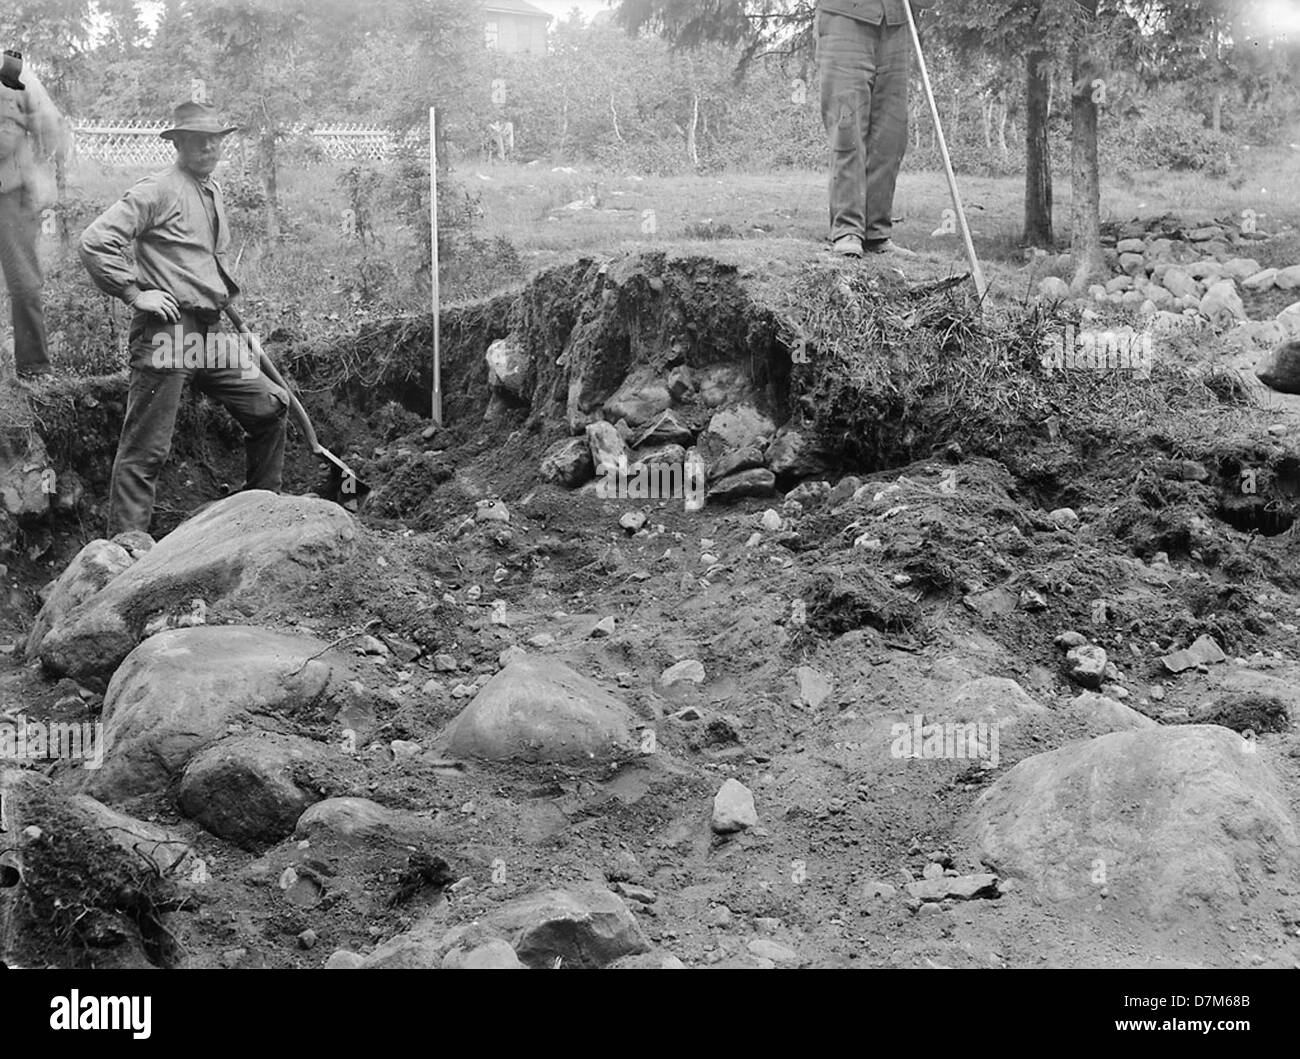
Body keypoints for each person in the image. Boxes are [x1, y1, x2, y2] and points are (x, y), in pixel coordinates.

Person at [79, 100, 288, 536]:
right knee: (147, 450)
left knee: (269, 406)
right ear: (178, 144)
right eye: (196, 141)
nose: (207, 148)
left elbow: (199, 258)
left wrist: (216, 291)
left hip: (208, 334)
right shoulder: (158, 189)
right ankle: (127, 549)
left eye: (213, 140)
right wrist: (135, 293)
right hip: (167, 335)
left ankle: (261, 514)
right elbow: (96, 241)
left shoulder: (211, 189)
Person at [816, 0, 934, 259]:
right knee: (848, 130)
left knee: (890, 134)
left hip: (894, 27)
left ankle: (876, 233)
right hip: (844, 19)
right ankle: (848, 230)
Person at [0, 50, 66, 380]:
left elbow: (50, 128)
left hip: (10, 194)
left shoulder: (15, 73)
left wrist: (36, 174)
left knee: (23, 279)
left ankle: (35, 367)